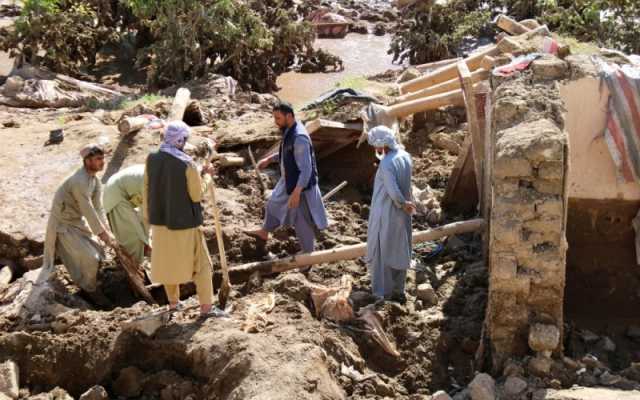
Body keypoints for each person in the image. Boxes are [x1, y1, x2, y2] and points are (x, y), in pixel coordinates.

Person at [143, 121, 215, 316]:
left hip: (160, 223)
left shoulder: (151, 159)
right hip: (185, 224)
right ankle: (206, 308)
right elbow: (196, 195)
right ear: (181, 140)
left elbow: (147, 189)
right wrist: (207, 177)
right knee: (202, 265)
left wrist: (147, 219)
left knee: (168, 263)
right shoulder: (187, 164)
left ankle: (173, 304)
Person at [246, 102, 328, 254]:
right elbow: (288, 153)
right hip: (289, 181)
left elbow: (306, 169)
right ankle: (265, 232)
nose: (275, 121)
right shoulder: (289, 130)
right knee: (272, 204)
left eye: (278, 118)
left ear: (289, 116)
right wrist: (270, 159)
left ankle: (308, 255)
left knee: (302, 220)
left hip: (301, 186)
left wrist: (297, 192)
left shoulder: (299, 138)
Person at [42, 144, 115, 304]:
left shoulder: (94, 181)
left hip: (77, 222)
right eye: (98, 159)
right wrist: (101, 233)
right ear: (87, 161)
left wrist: (108, 232)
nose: (102, 162)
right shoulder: (79, 181)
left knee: (99, 251)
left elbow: (98, 207)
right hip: (63, 224)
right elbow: (87, 209)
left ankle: (93, 281)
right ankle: (89, 289)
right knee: (90, 257)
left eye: (103, 158)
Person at [365, 126, 415, 303]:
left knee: (382, 250)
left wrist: (402, 203)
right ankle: (399, 289)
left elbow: (393, 192)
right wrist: (407, 205)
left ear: (381, 145)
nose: (375, 150)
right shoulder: (405, 156)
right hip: (403, 214)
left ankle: (382, 293)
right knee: (400, 247)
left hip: (386, 211)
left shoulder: (386, 163)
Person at [103, 164, 149, 264]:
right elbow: (146, 213)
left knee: (140, 232)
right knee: (132, 237)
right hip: (115, 196)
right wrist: (145, 240)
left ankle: (137, 262)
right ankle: (133, 269)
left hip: (125, 194)